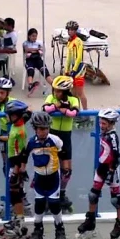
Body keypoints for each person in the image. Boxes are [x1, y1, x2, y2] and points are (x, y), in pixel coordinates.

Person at [76, 109, 120, 239]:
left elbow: (116, 157)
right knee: (93, 194)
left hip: (111, 169)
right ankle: (90, 221)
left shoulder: (113, 136)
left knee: (115, 199)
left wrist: (111, 171)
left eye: (104, 123)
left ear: (111, 123)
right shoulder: (104, 133)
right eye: (100, 122)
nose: (101, 125)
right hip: (101, 167)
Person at [19, 111, 67, 239]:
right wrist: (22, 169)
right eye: (40, 129)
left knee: (54, 204)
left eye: (46, 128)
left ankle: (59, 228)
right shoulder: (31, 142)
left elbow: (64, 153)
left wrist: (66, 168)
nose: (44, 131)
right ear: (35, 128)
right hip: (39, 177)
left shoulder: (55, 140)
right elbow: (24, 155)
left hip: (53, 177)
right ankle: (38, 229)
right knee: (39, 204)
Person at [41, 75, 79, 214]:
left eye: (58, 91)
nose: (55, 93)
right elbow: (45, 109)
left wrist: (62, 110)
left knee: (66, 170)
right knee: (48, 167)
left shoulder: (74, 99)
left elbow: (73, 112)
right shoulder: (51, 98)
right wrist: (57, 106)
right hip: (52, 134)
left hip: (65, 135)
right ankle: (47, 194)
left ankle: (62, 194)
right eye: (54, 90)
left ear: (66, 91)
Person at [0, 100, 33, 239]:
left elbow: (21, 153)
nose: (7, 117)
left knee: (15, 193)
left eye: (9, 114)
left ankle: (20, 222)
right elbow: (10, 138)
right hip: (14, 163)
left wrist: (17, 172)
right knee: (14, 194)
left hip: (15, 165)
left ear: (16, 116)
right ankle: (17, 218)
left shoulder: (20, 130)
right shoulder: (16, 126)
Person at [63, 21, 90, 125]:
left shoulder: (78, 41)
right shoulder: (69, 41)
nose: (70, 31)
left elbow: (79, 57)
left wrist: (74, 69)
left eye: (72, 30)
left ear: (75, 31)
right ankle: (77, 112)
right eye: (69, 29)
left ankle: (86, 114)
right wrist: (66, 70)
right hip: (72, 69)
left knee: (80, 92)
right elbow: (69, 57)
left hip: (79, 68)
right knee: (73, 94)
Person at [23, 28, 52, 96]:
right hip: (29, 60)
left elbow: (42, 52)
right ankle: (30, 85)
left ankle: (53, 84)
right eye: (33, 36)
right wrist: (37, 49)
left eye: (35, 36)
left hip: (38, 59)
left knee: (44, 70)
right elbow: (26, 50)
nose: (34, 37)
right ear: (29, 36)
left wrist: (33, 50)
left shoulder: (40, 42)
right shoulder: (25, 43)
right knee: (30, 70)